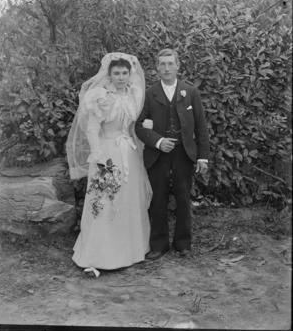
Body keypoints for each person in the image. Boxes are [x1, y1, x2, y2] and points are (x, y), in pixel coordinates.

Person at [66, 52, 152, 276]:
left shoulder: (135, 94)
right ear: (109, 74)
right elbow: (93, 129)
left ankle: (131, 251)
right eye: (117, 73)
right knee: (105, 200)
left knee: (129, 199)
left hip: (129, 153)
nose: (121, 77)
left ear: (129, 74)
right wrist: (98, 155)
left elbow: (134, 127)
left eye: (125, 73)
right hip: (107, 154)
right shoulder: (100, 97)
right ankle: (99, 254)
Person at [135, 48, 210, 260]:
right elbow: (139, 126)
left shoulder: (190, 91)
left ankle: (183, 244)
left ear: (178, 66)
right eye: (162, 64)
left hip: (184, 154)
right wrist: (158, 141)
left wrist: (202, 157)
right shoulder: (149, 93)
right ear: (156, 68)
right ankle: (159, 244)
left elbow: (201, 127)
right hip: (157, 154)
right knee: (157, 198)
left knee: (183, 198)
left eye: (170, 64)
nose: (166, 68)